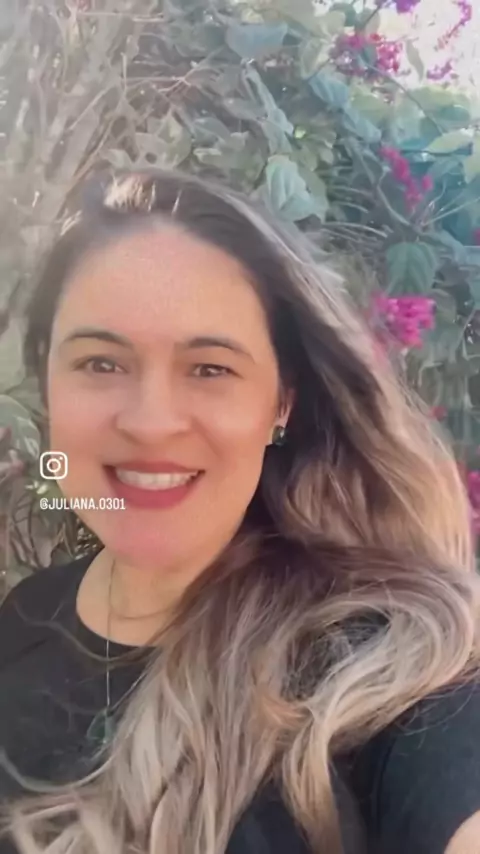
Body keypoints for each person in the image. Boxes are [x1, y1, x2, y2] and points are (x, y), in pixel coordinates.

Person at [0, 167, 480, 854]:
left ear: (281, 402)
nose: (151, 423)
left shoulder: (392, 668)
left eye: (210, 369)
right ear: (48, 377)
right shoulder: (25, 619)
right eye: (102, 363)